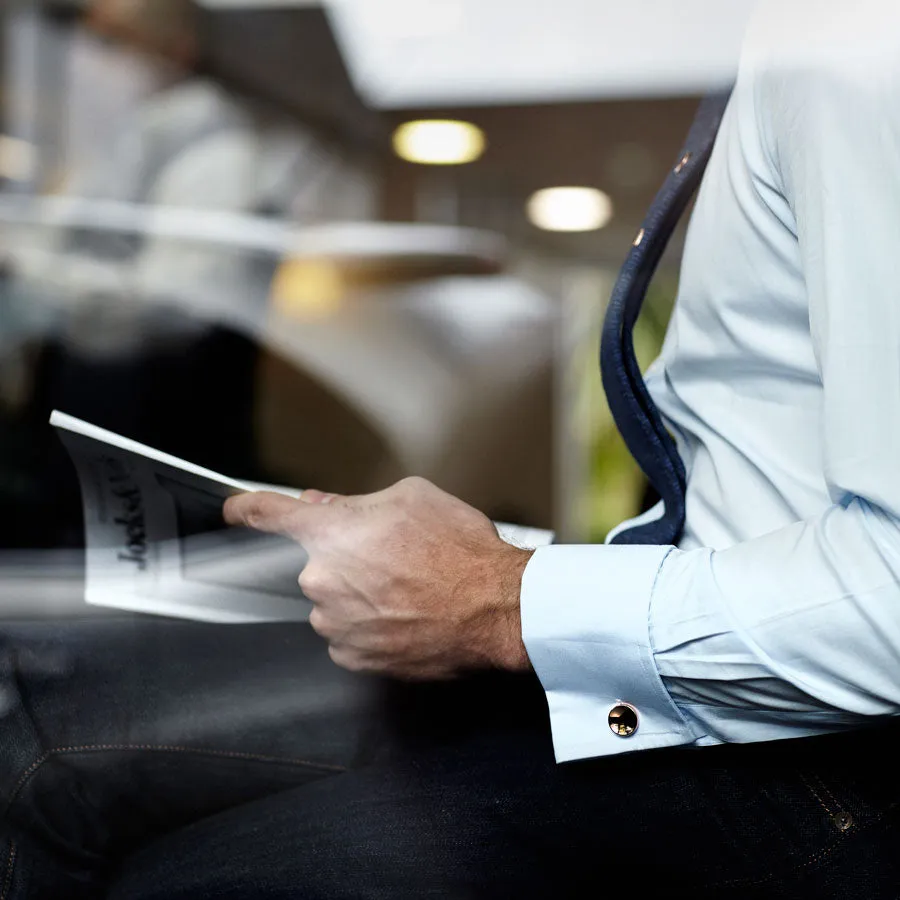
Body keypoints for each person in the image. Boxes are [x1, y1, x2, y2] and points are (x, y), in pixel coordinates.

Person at [3, 0, 900, 896]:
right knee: (34, 712)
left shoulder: (852, 42)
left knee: (176, 878)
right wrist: (483, 568)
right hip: (727, 669)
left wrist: (499, 598)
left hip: (830, 772)